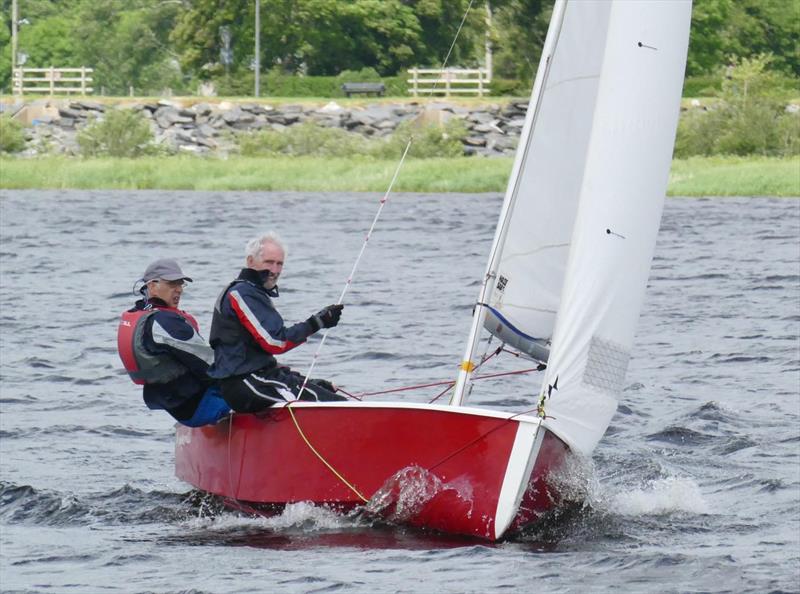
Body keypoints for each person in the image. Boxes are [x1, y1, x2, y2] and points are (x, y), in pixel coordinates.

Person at [208, 232, 346, 413]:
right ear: (250, 261)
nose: (274, 270)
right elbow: (275, 342)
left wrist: (310, 383)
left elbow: (258, 354)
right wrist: (318, 322)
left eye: (279, 264)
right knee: (335, 406)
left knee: (325, 392)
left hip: (257, 379)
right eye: (269, 263)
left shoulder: (253, 292)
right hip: (245, 383)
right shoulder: (242, 292)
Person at [117, 258, 230, 426]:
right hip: (200, 408)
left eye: (180, 284)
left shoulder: (140, 314)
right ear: (152, 286)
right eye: (172, 284)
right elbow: (211, 364)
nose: (178, 290)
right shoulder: (165, 322)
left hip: (177, 406)